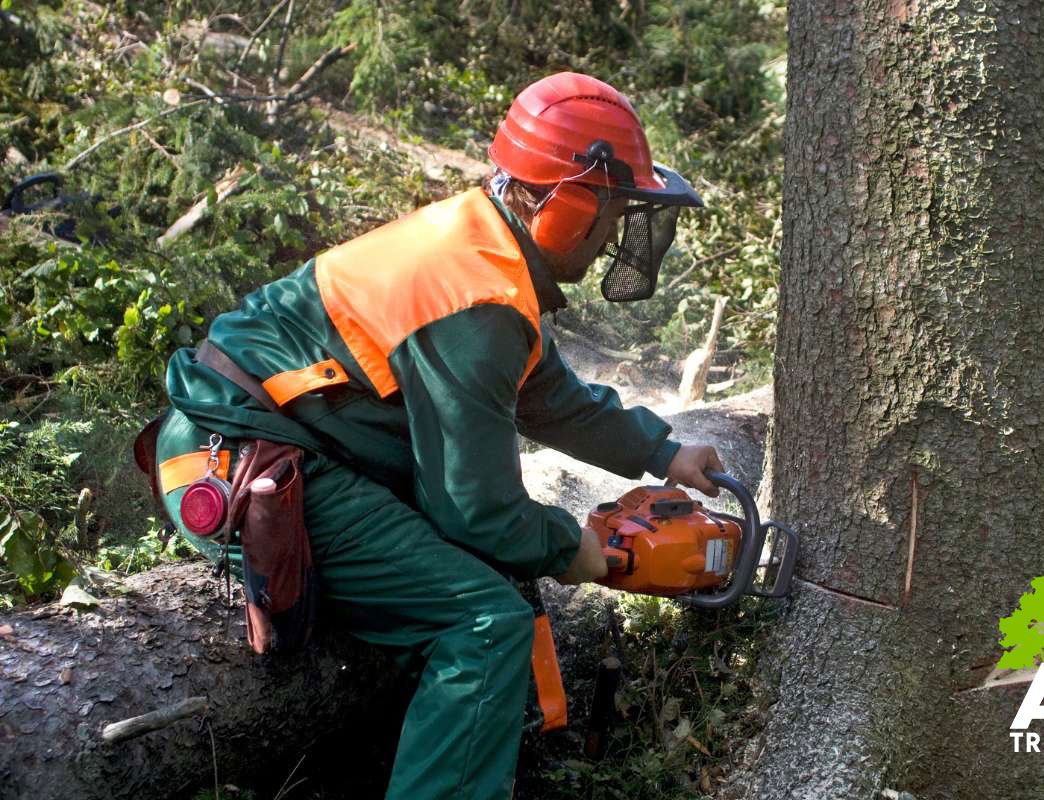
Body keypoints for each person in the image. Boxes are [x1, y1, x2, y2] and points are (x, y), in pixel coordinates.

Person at [148, 71, 724, 799]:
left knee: (475, 585)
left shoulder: (482, 255)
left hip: (284, 442)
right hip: (247, 464)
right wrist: (573, 549)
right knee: (485, 624)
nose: (614, 238)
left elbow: (548, 397)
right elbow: (475, 508)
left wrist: (663, 453)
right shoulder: (475, 301)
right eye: (612, 215)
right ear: (566, 205)